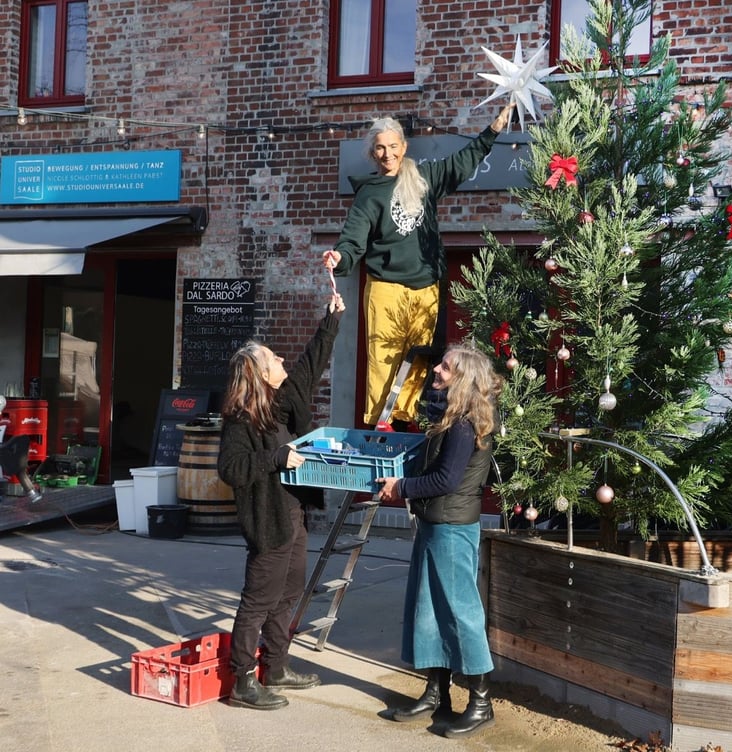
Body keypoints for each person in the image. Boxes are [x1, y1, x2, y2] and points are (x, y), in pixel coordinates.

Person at [323, 102, 516, 430]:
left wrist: (493, 131)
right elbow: (353, 238)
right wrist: (340, 257)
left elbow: (461, 164)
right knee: (384, 361)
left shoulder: (423, 177)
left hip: (425, 285)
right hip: (386, 287)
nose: (387, 154)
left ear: (404, 147)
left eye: (393, 146)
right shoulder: (370, 194)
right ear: (373, 153)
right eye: (380, 148)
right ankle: (380, 427)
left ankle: (404, 422)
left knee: (418, 361)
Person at [217, 291, 345, 710]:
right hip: (268, 520)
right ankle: (241, 682)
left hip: (294, 514)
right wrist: (276, 457)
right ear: (258, 371)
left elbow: (311, 364)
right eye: (275, 359)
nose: (283, 363)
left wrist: (330, 319)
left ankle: (277, 667)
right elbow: (230, 468)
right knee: (257, 600)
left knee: (289, 591)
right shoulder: (241, 419)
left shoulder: (283, 401)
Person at [376, 343, 502, 738]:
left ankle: (481, 704)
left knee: (460, 614)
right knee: (428, 611)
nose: (437, 371)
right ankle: (436, 694)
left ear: (462, 377)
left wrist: (403, 487)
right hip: (436, 525)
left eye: (445, 367)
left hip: (451, 529)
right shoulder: (452, 417)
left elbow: (445, 480)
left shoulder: (466, 425)